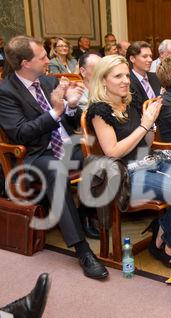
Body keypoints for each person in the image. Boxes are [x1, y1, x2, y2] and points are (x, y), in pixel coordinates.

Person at [0, 35, 108, 279]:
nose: (48, 60)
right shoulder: (5, 92)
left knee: (102, 158)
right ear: (25, 63)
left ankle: (85, 214)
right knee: (56, 170)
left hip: (65, 145)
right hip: (33, 154)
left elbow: (69, 122)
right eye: (42, 57)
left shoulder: (48, 81)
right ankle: (82, 250)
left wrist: (70, 106)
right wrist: (56, 110)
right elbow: (20, 133)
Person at [86, 55, 171, 268]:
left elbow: (146, 142)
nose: (126, 80)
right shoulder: (99, 111)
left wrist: (151, 125)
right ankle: (169, 242)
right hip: (125, 175)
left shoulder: (130, 102)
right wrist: (144, 125)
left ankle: (162, 227)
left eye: (126, 75)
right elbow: (113, 151)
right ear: (103, 80)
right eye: (118, 76)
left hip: (150, 163)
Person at [126, 41, 161, 115]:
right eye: (145, 56)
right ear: (132, 59)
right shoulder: (128, 82)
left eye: (150, 56)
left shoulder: (155, 77)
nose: (150, 60)